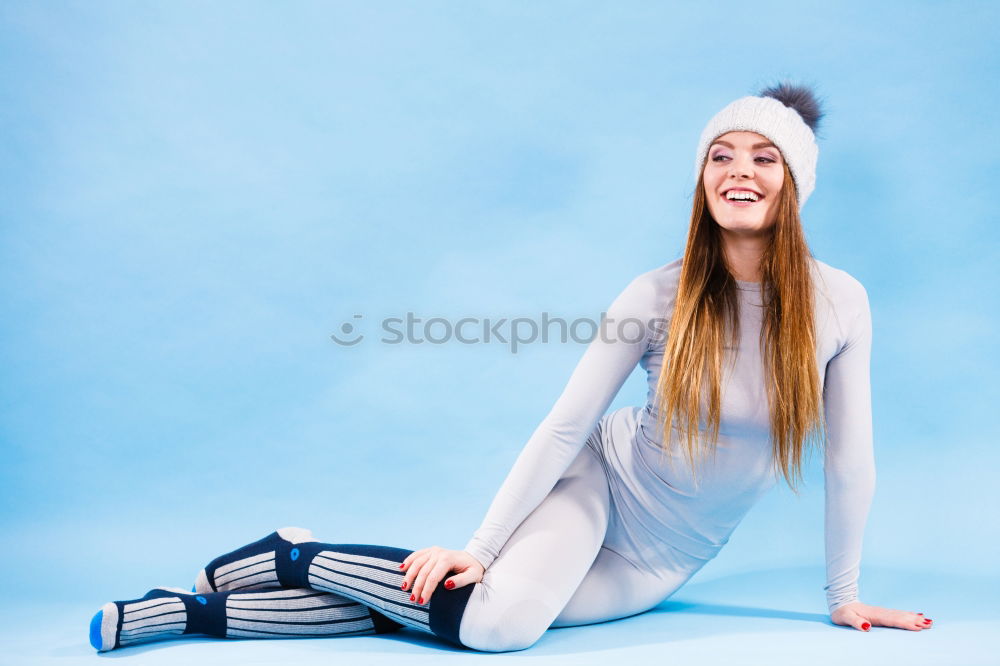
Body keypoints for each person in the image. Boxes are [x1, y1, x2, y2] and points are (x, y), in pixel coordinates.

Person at [88, 81, 932, 654]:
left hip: (664, 559)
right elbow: (566, 425)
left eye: (764, 157)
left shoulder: (838, 303)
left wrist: (842, 598)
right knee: (498, 624)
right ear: (701, 177)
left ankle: (215, 597)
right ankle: (292, 564)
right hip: (601, 485)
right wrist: (482, 547)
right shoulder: (654, 293)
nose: (739, 171)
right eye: (722, 154)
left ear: (794, 183)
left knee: (444, 620)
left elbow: (851, 464)